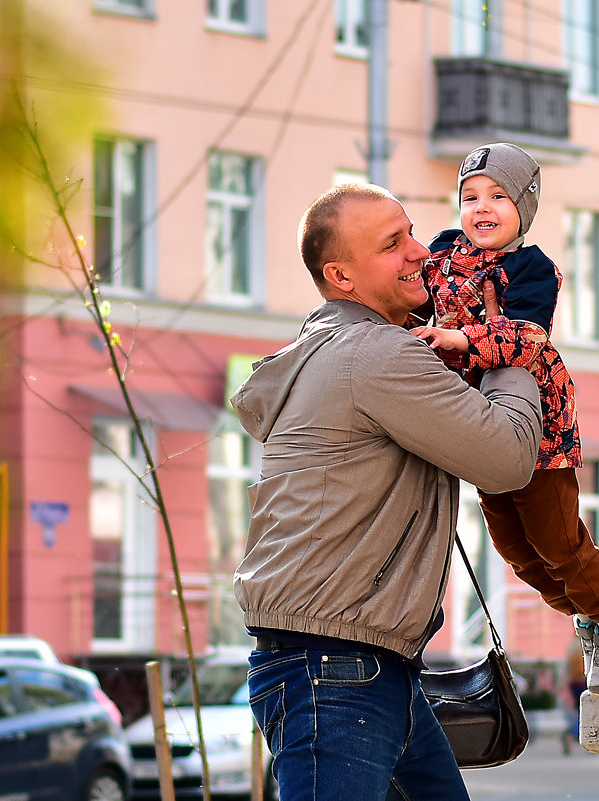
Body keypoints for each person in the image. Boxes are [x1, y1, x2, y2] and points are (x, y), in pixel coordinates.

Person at [230, 182, 543, 801]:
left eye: (411, 232)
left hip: (364, 669)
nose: (421, 252)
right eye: (392, 244)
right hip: (336, 672)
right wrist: (514, 342)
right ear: (341, 275)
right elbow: (507, 455)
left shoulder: (334, 350)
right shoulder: (374, 356)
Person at [409, 142, 599, 698]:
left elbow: (528, 336)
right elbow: (415, 298)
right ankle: (596, 615)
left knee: (557, 540)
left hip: (537, 427)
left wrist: (461, 337)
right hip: (480, 425)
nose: (482, 207)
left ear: (524, 206)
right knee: (518, 552)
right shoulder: (444, 252)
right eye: (470, 197)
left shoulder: (531, 267)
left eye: (498, 196)